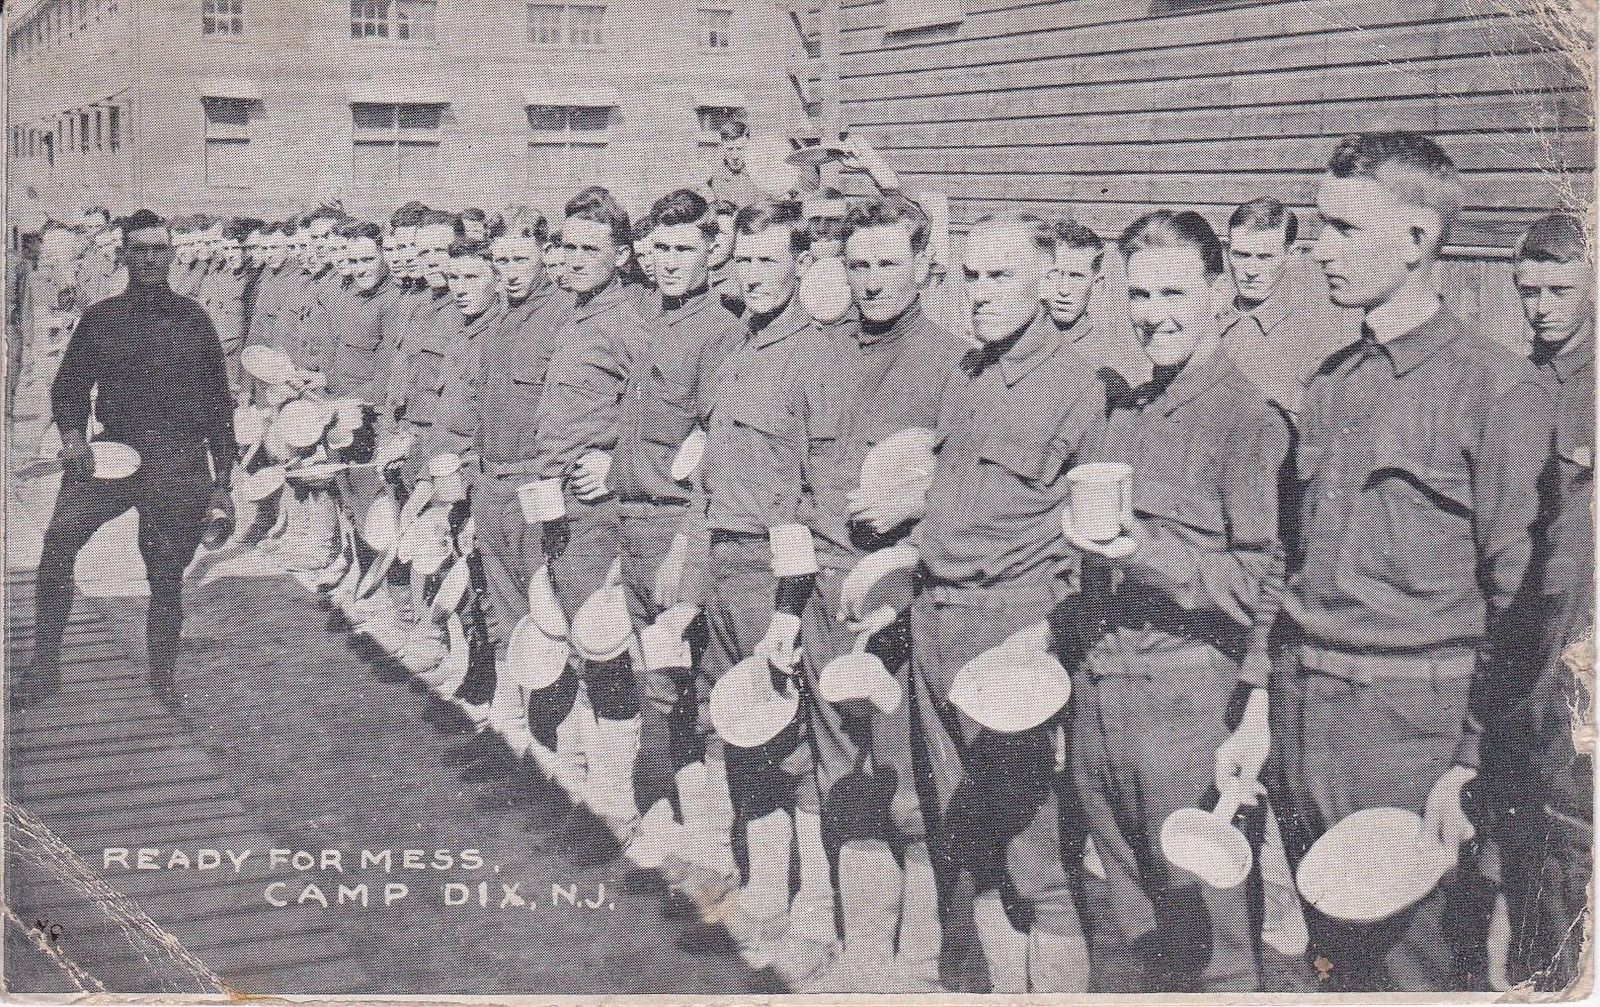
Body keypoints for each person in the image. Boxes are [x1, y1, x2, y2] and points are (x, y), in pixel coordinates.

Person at [1283, 132, 1553, 991]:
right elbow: (1294, 566)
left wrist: (1474, 760)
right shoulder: (1328, 382)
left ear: (1417, 239)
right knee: (1329, 963)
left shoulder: (1499, 391)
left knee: (1420, 968)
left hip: (1413, 733)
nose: (1318, 248)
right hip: (1307, 713)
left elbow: (1525, 605)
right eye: (1319, 226)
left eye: (1341, 228)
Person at [842, 211, 1103, 993]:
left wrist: (1048, 647)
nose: (981, 293)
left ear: (1047, 280)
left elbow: (1094, 558)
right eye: (972, 277)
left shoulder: (1079, 390)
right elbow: (948, 503)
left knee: (1039, 863)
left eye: (1001, 277)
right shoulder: (966, 374)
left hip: (1012, 640)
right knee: (974, 844)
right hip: (937, 626)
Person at [1062, 210, 1287, 992]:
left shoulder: (1247, 419)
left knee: (1215, 942)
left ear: (1219, 291)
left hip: (1190, 712)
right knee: (1137, 927)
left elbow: (1262, 583)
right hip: (1103, 704)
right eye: (1139, 293)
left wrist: (1146, 554)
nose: (1154, 313)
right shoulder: (1123, 412)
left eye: (1174, 292)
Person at [788, 195, 966, 992]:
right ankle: (865, 951)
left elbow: (977, 491)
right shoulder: (817, 354)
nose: (871, 280)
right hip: (826, 594)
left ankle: (919, 952)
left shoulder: (956, 364)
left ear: (924, 264)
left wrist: (917, 509)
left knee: (907, 782)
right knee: (842, 773)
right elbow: (795, 481)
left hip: (903, 602)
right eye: (857, 264)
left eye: (888, 262)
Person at [22, 209, 236, 707]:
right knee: (56, 549)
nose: (149, 260)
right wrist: (74, 437)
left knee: (165, 575)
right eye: (138, 251)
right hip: (113, 453)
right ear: (123, 257)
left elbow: (219, 406)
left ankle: (162, 679)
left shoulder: (196, 321)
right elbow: (69, 387)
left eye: (158, 250)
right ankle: (44, 668)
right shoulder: (102, 319)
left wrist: (222, 484)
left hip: (179, 461)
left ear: (172, 256)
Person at [609, 189, 744, 871]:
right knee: (653, 679)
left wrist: (686, 552)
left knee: (682, 682)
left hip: (675, 528)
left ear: (712, 250)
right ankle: (677, 818)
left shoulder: (720, 332)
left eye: (683, 248)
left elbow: (714, 453)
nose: (668, 262)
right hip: (632, 522)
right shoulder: (650, 320)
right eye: (658, 248)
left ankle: (710, 837)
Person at [1480, 212, 1593, 992]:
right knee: (1515, 823)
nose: (1542, 305)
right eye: (1528, 291)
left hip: (1577, 644)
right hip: (1520, 638)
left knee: (1566, 831)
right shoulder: (1526, 377)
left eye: (1560, 289)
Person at [523, 187, 650, 843]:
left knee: (603, 648)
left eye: (589, 249)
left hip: (598, 514)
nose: (572, 259)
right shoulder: (572, 317)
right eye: (566, 247)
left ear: (622, 256)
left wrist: (618, 461)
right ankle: (577, 772)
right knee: (570, 639)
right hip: (557, 506)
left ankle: (617, 796)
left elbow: (662, 417)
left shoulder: (629, 324)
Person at [1220, 198, 1355, 419]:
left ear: (1291, 254)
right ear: (1228, 251)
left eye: (1265, 257)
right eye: (1241, 255)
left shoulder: (1317, 330)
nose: (1251, 270)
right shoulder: (1208, 314)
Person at [1043, 218, 1150, 403]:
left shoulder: (1111, 361)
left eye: (1076, 276)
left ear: (1097, 283)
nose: (1063, 290)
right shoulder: (1009, 339)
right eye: (1054, 275)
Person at [705, 120, 760, 208]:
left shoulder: (759, 172)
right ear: (722, 148)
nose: (735, 156)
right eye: (729, 149)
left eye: (740, 149)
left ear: (748, 147)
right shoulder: (715, 176)